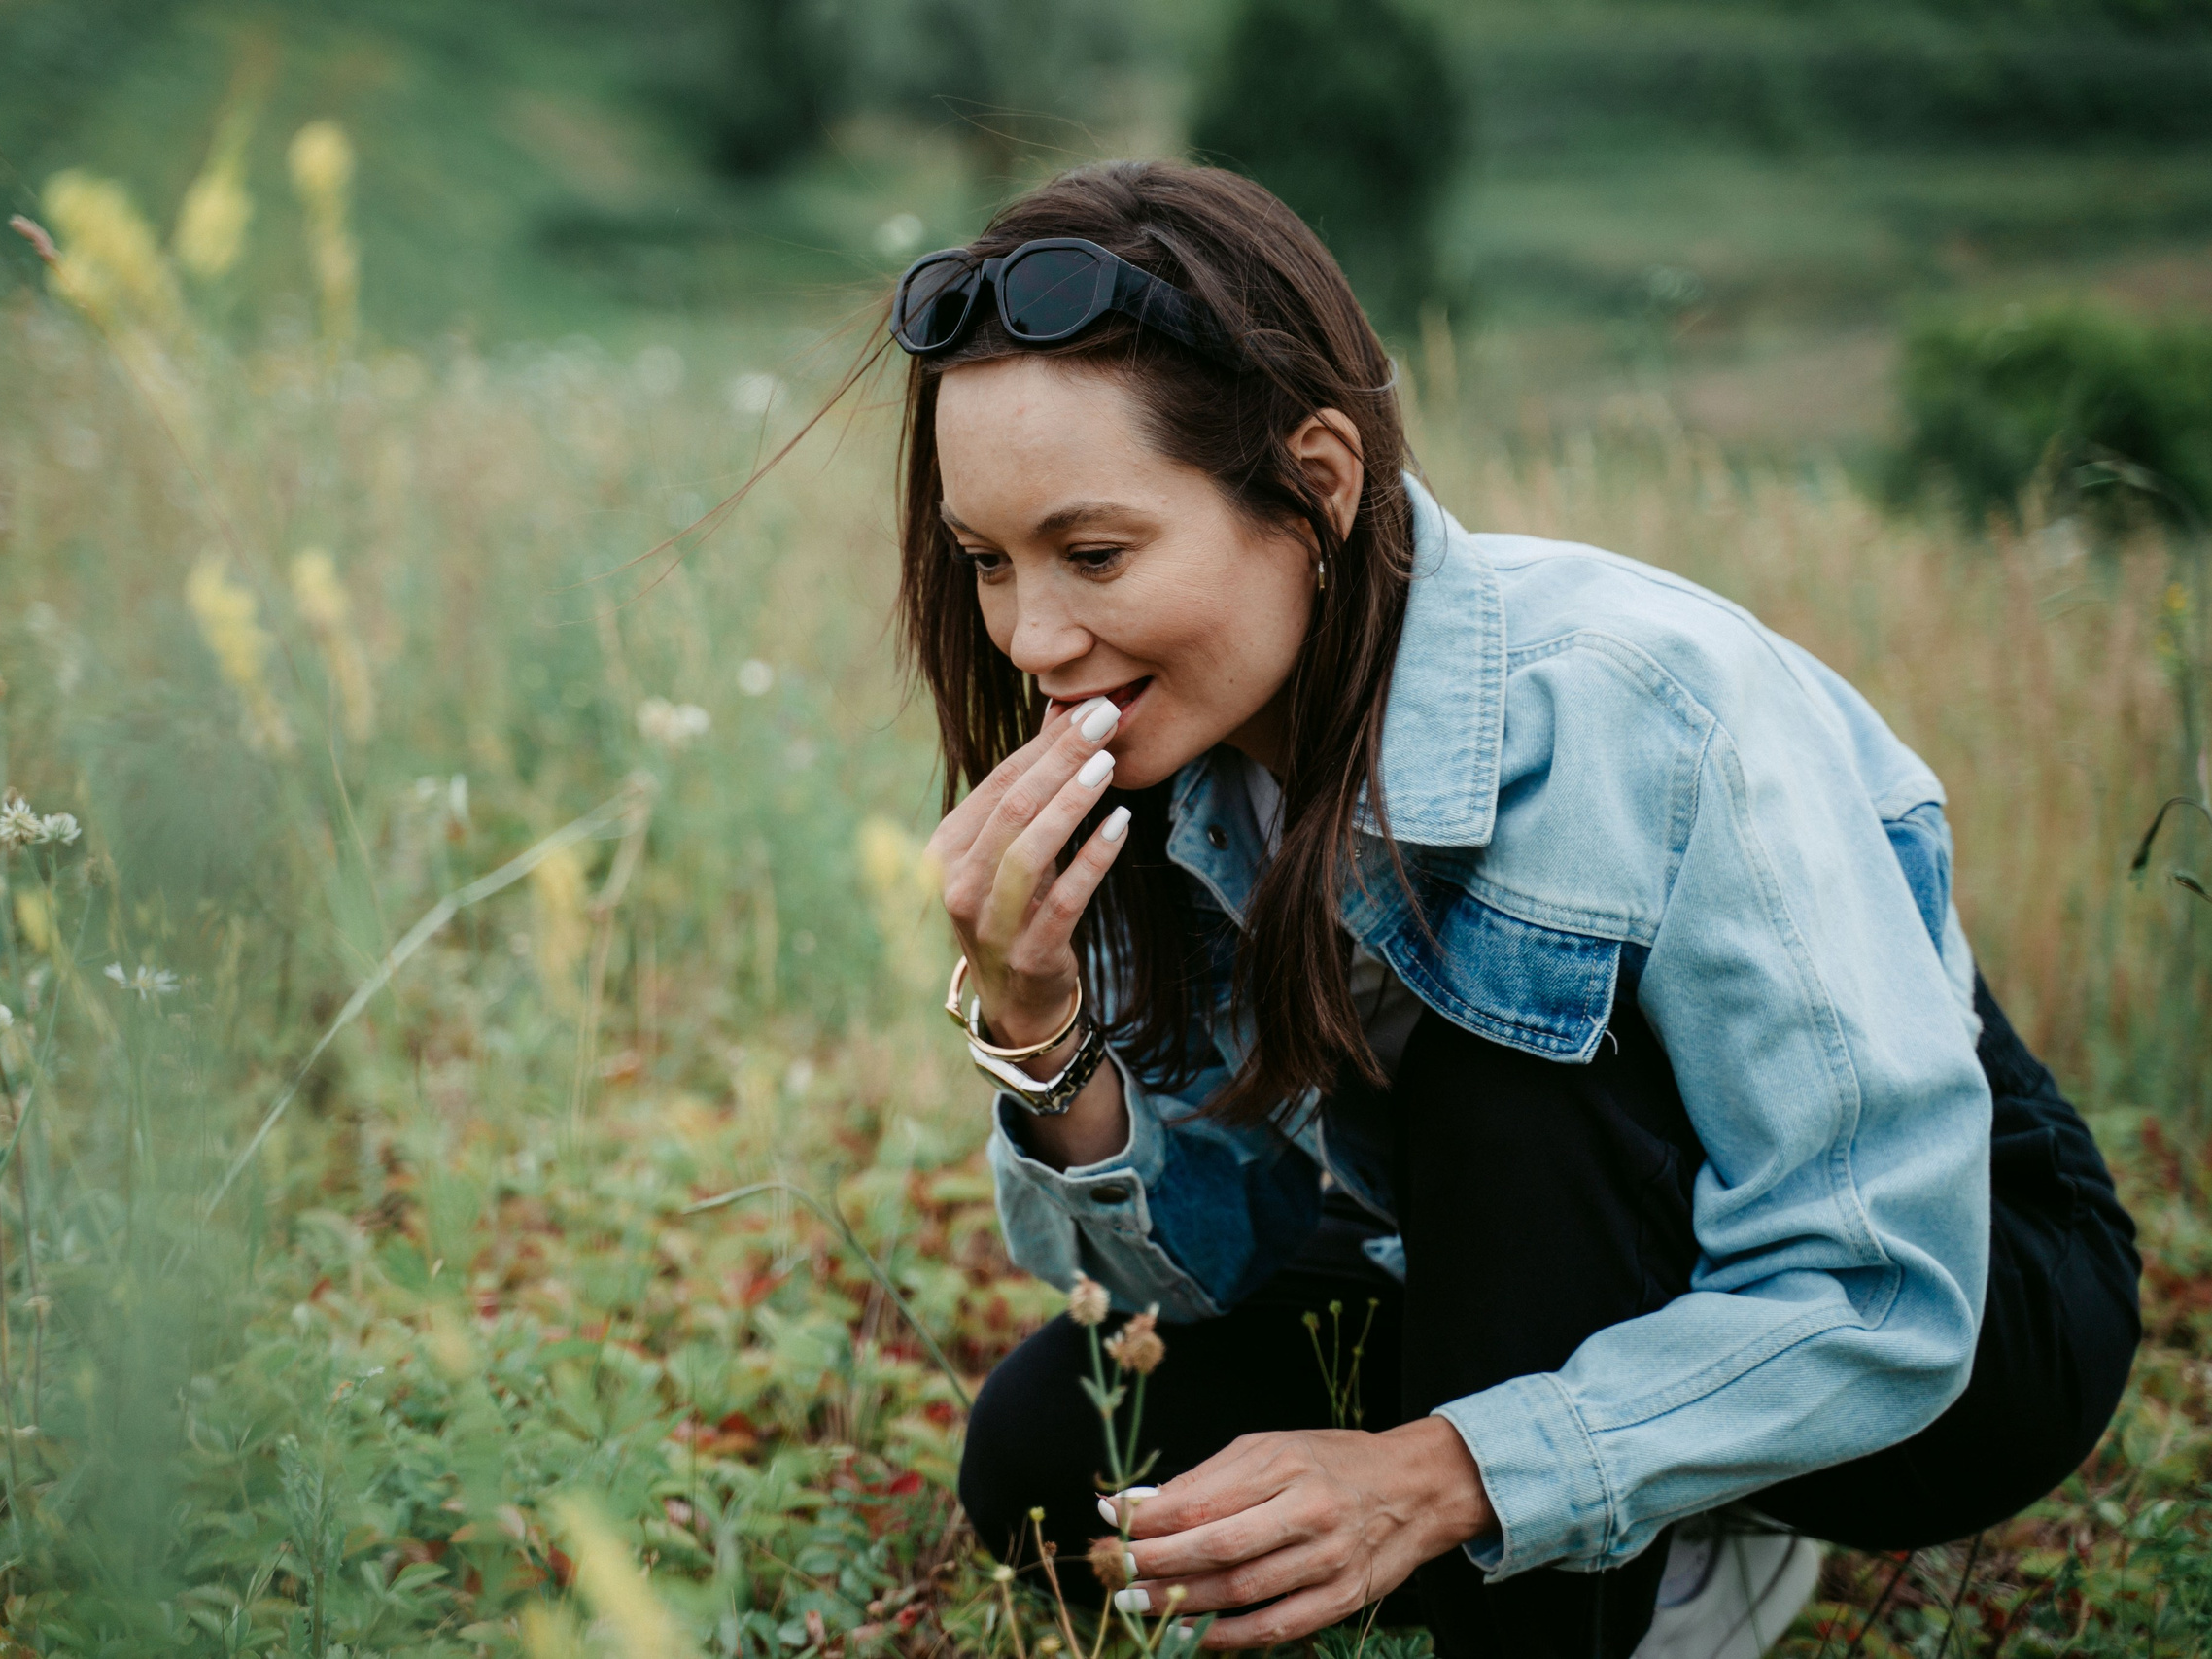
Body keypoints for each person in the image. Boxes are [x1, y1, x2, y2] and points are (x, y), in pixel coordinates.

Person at [888, 160, 2142, 1659]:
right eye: (987, 562)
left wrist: (1433, 1477)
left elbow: (1887, 1293)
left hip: (1954, 1302)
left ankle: (1628, 1535)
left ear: (1318, 483)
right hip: (1483, 1247)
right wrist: (1036, 1022)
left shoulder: (1646, 708)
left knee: (1508, 1077)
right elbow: (1192, 1275)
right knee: (1053, 1463)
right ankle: (1629, 1498)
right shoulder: (1161, 758)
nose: (1033, 637)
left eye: (1095, 554)